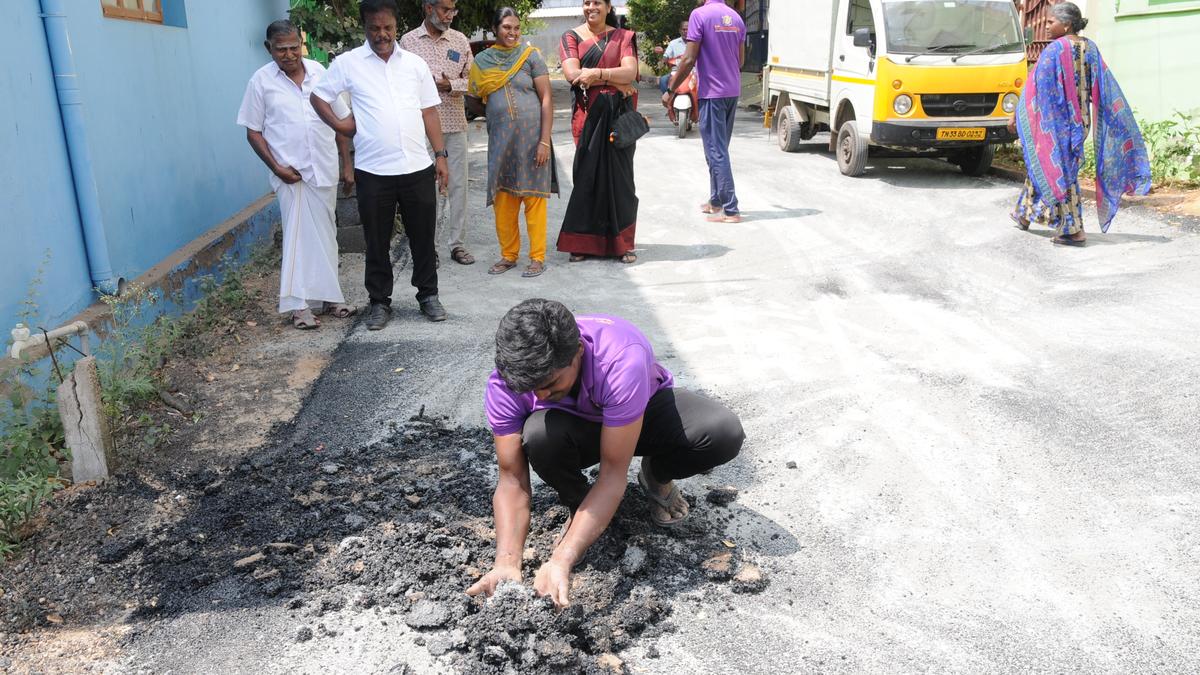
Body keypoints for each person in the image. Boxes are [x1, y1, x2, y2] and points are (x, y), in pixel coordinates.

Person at [466, 299, 745, 607]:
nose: (539, 395)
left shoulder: (620, 359)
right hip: (573, 428)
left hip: (640, 413)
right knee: (539, 435)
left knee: (723, 432)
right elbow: (512, 482)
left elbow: (613, 474)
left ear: (578, 353)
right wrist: (506, 561)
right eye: (530, 388)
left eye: (550, 383)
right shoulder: (509, 381)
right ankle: (580, 505)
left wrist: (563, 557)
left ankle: (656, 474)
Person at [310, 0, 451, 330]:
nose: (382, 34)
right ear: (365, 27)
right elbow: (319, 96)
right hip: (373, 171)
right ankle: (379, 302)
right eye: (375, 28)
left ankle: (428, 295)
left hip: (417, 166)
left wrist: (440, 156)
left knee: (422, 236)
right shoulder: (348, 64)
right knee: (376, 240)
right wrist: (342, 125)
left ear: (396, 26)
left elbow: (429, 110)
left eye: (387, 27)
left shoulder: (414, 65)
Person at [237, 20, 357, 330]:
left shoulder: (320, 72)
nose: (289, 54)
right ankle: (298, 306)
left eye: (293, 47)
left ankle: (330, 298)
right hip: (291, 174)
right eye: (281, 49)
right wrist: (276, 167)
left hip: (325, 168)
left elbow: (342, 122)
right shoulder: (260, 82)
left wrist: (347, 165)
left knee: (326, 237)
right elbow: (253, 132)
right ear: (269, 49)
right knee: (296, 239)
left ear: (301, 43)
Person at [1008, 2, 1149, 246]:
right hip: (1079, 123)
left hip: (1054, 124)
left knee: (1061, 173)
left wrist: (1017, 115)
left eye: (1051, 22)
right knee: (1047, 166)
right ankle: (1025, 213)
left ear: (1067, 24)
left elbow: (1035, 88)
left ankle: (1073, 231)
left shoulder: (1054, 51)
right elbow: (1104, 87)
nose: (1046, 26)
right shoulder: (1090, 49)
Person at [466, 8, 558, 279]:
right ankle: (508, 255)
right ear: (495, 28)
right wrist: (497, 113)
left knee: (534, 198)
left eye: (516, 28)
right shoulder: (482, 61)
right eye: (507, 27)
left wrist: (544, 141)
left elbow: (546, 99)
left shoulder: (531, 57)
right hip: (501, 141)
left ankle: (537, 257)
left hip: (533, 142)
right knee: (504, 199)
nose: (513, 32)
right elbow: (473, 96)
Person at [556, 0, 641, 265]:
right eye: (586, 2)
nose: (590, 7)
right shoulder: (570, 36)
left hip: (619, 117)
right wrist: (614, 79)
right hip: (587, 116)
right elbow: (573, 74)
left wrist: (597, 74)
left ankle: (623, 244)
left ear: (607, 7)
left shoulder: (623, 36)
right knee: (587, 176)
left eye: (597, 2)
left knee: (621, 179)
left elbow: (631, 72)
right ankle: (582, 242)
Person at [401, 0, 476, 268]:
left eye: (453, 9)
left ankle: (457, 245)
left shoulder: (459, 40)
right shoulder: (408, 41)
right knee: (425, 191)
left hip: (455, 124)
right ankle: (427, 248)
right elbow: (400, 82)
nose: (450, 15)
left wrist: (450, 84)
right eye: (445, 9)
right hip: (420, 129)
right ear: (428, 8)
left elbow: (475, 80)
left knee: (458, 187)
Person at [665, 0, 746, 224]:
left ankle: (731, 209)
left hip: (712, 92)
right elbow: (740, 60)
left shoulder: (699, 15)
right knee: (718, 149)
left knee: (716, 151)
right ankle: (716, 201)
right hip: (732, 91)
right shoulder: (736, 18)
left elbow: (689, 58)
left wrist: (671, 89)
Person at [658, 20, 689, 94]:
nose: (686, 31)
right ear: (680, 30)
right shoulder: (673, 43)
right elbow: (666, 56)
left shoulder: (696, 43)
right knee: (663, 80)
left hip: (693, 71)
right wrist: (662, 62)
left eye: (688, 29)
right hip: (676, 72)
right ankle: (668, 99)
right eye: (683, 29)